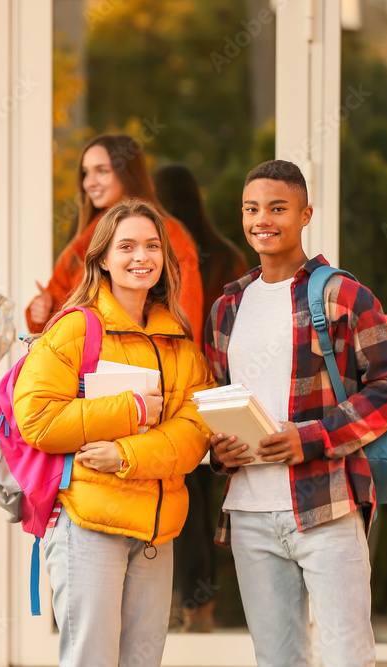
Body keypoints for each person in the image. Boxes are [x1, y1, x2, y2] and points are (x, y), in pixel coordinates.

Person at [204, 160, 387, 666]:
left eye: (278, 208)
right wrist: (219, 451)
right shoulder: (226, 308)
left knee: (348, 657)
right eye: (251, 209)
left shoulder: (341, 294)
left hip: (327, 506)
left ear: (305, 215)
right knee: (276, 660)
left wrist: (313, 436)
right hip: (250, 512)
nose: (263, 220)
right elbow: (216, 399)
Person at [13, 199, 212, 667]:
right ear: (102, 258)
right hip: (88, 524)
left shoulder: (179, 341)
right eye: (126, 246)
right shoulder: (75, 329)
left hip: (156, 531)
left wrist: (125, 454)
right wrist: (132, 408)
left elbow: (195, 431)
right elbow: (37, 419)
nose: (141, 256)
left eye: (152, 246)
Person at [152, 163, 248, 632]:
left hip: (178, 391)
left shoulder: (167, 257)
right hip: (223, 391)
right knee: (210, 506)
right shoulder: (229, 257)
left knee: (177, 501)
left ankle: (179, 604)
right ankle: (202, 607)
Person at [26, 135, 204, 344]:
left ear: (127, 174)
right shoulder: (88, 238)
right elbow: (57, 313)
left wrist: (175, 353)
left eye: (102, 171)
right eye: (86, 173)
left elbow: (186, 309)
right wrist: (41, 312)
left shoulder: (169, 234)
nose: (89, 182)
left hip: (150, 357)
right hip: (89, 356)